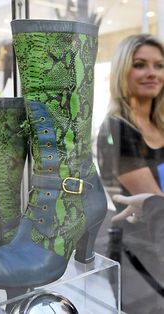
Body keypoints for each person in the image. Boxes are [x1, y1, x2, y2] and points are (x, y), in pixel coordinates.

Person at [96, 33, 164, 314]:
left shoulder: (159, 124)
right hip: (143, 261)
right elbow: (155, 203)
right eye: (140, 64)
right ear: (123, 70)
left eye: (159, 65)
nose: (152, 73)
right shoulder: (118, 130)